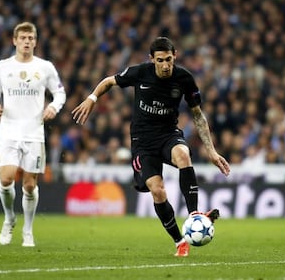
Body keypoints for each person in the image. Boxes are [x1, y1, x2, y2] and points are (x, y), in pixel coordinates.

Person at [72, 37, 230, 257]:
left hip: (168, 134)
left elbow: (198, 116)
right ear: (152, 59)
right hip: (142, 143)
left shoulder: (184, 78)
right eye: (160, 60)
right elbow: (109, 81)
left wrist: (212, 152)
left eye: (168, 59)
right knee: (157, 191)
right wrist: (92, 98)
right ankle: (179, 241)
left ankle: (194, 214)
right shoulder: (140, 73)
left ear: (174, 56)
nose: (165, 65)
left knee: (183, 154)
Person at [0, 22, 66, 247]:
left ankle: (28, 231)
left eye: (31, 38)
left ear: (36, 41)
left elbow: (59, 93)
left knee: (30, 186)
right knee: (5, 179)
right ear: (14, 41)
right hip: (9, 131)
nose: (27, 42)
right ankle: (9, 217)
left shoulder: (45, 67)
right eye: (23, 38)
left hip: (34, 133)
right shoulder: (3, 67)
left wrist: (53, 107)